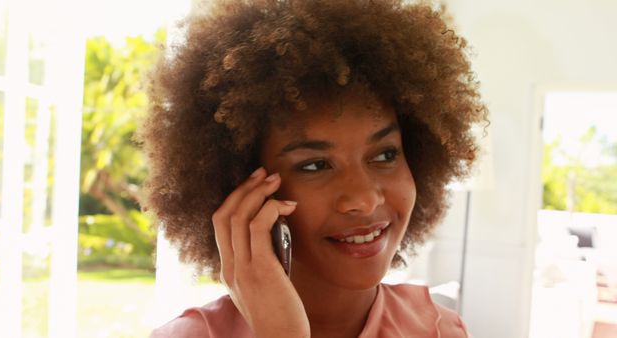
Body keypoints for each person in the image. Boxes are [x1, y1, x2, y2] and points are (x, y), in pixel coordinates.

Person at [140, 0, 487, 337]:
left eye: (384, 155)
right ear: (241, 191)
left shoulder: (439, 330)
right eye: (316, 164)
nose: (364, 199)